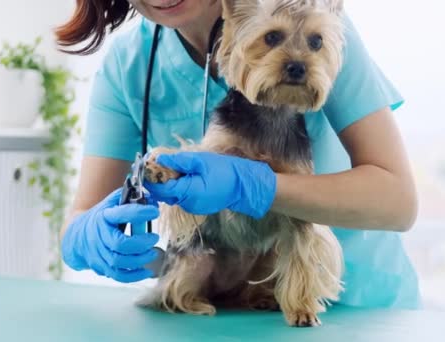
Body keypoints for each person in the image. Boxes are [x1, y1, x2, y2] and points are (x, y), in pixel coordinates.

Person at [56, 0, 421, 309]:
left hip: (357, 307)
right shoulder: (127, 62)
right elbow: (82, 214)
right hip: (227, 308)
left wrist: (257, 186)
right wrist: (87, 239)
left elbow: (398, 201)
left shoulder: (308, 24)